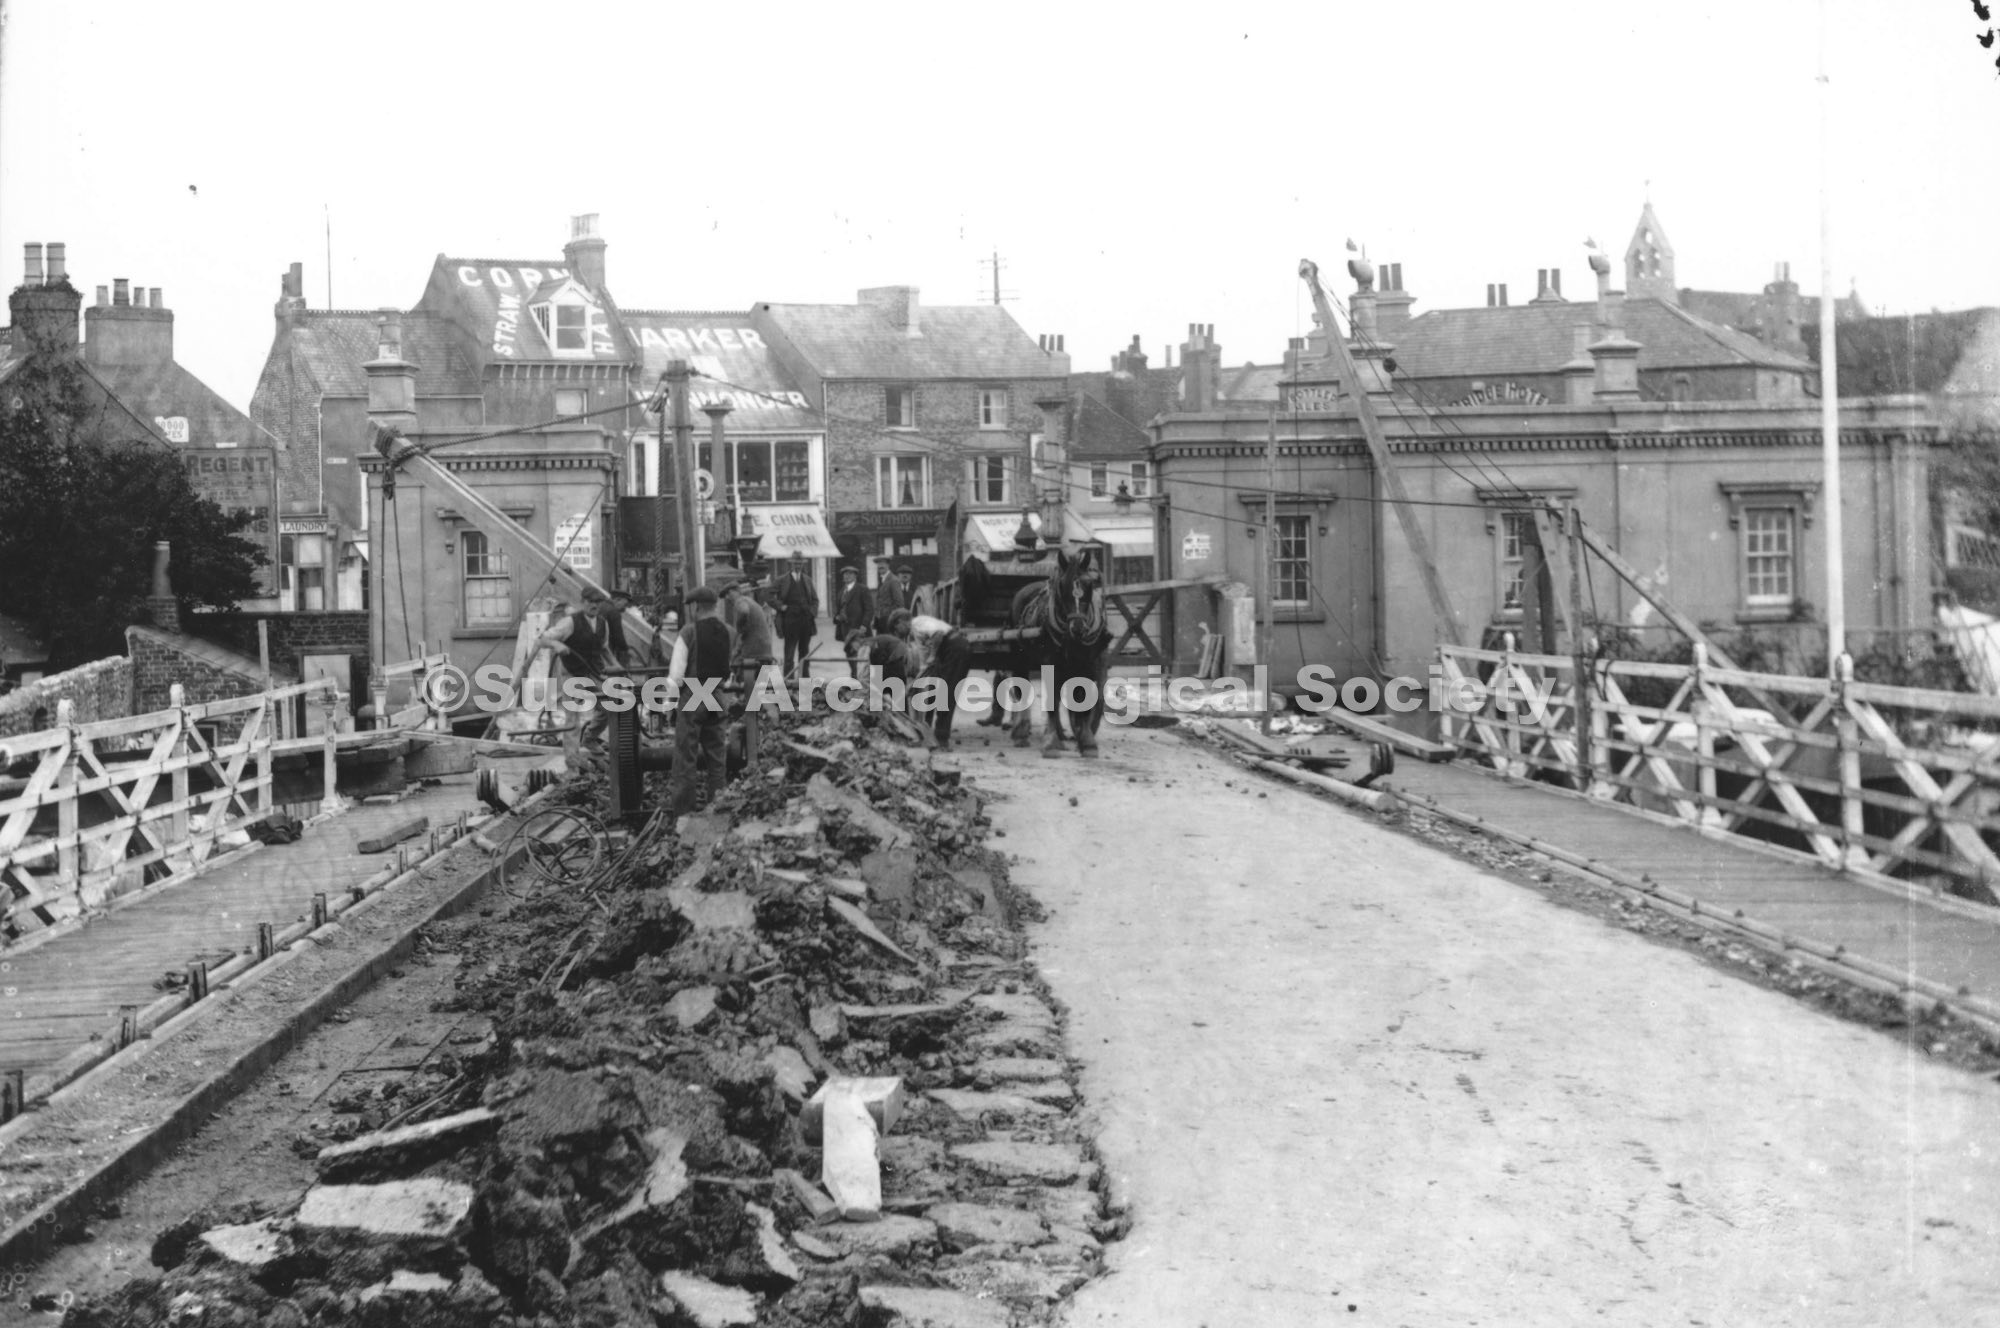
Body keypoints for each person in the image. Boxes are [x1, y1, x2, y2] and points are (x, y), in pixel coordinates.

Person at [666, 585, 737, 816]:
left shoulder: (688, 632)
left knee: (685, 756)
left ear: (696, 607)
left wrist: (669, 704)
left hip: (694, 694)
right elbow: (729, 670)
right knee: (717, 755)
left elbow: (676, 675)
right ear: (715, 606)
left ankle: (684, 811)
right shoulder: (729, 631)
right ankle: (717, 807)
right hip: (716, 693)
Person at [535, 589, 616, 745]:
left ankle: (589, 739)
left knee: (609, 707)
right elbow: (541, 639)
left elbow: (604, 648)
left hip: (594, 673)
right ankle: (572, 759)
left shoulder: (602, 623)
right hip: (572, 673)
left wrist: (618, 667)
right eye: (590, 602)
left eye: (597, 602)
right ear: (582, 602)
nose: (594, 605)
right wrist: (556, 644)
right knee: (573, 720)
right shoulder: (569, 622)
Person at [773, 552, 820, 679]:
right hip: (789, 621)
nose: (798, 566)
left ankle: (805, 680)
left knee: (804, 653)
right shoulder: (782, 580)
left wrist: (812, 613)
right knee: (789, 653)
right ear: (790, 564)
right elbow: (767, 595)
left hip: (805, 621)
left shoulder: (807, 580)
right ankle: (788, 681)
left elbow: (815, 600)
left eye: (800, 564)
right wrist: (780, 606)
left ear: (803, 565)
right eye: (795, 563)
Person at [722, 579, 777, 672]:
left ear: (733, 592)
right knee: (762, 680)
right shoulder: (751, 602)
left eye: (728, 594)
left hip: (753, 652)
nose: (727, 598)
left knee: (736, 666)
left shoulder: (740, 601)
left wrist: (740, 629)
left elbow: (744, 611)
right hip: (765, 651)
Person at [835, 565, 874, 677]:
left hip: (859, 630)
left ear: (855, 576)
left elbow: (869, 609)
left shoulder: (862, 589)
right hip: (846, 631)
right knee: (850, 655)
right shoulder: (841, 592)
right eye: (845, 574)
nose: (847, 576)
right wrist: (837, 617)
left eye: (850, 574)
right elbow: (839, 610)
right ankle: (855, 678)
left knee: (863, 655)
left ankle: (865, 680)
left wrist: (864, 625)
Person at [872, 562, 913, 632]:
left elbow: (899, 604)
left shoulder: (893, 580)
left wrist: (892, 619)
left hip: (890, 620)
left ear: (888, 565)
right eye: (879, 564)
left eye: (883, 563)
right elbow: (879, 602)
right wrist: (876, 619)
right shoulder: (882, 580)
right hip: (881, 621)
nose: (880, 566)